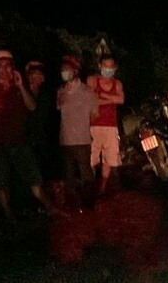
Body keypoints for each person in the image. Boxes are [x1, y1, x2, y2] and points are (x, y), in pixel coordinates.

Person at [0, 49, 46, 218]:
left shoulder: (19, 87)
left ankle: (47, 206)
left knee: (32, 176)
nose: (4, 69)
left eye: (7, 65)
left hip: (19, 140)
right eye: (0, 66)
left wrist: (21, 86)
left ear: (13, 67)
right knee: (1, 180)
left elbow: (32, 107)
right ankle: (8, 214)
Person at [56, 55, 99, 210]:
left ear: (75, 71)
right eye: (62, 71)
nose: (64, 73)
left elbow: (95, 114)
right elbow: (59, 108)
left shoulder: (87, 91)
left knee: (85, 172)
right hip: (65, 139)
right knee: (68, 174)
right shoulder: (60, 91)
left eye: (67, 70)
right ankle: (71, 203)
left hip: (82, 139)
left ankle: (89, 203)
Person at [86, 55, 125, 197]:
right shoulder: (92, 80)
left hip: (111, 126)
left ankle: (102, 187)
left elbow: (121, 100)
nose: (108, 69)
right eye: (105, 66)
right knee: (91, 157)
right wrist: (111, 99)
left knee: (109, 159)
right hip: (93, 125)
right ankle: (90, 185)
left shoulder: (117, 83)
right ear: (99, 66)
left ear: (115, 68)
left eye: (111, 66)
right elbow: (91, 100)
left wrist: (102, 95)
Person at [23, 60, 60, 187]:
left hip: (40, 138)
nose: (35, 78)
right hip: (24, 138)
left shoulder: (45, 96)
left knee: (42, 170)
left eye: (38, 75)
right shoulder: (21, 92)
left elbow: (43, 117)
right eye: (32, 74)